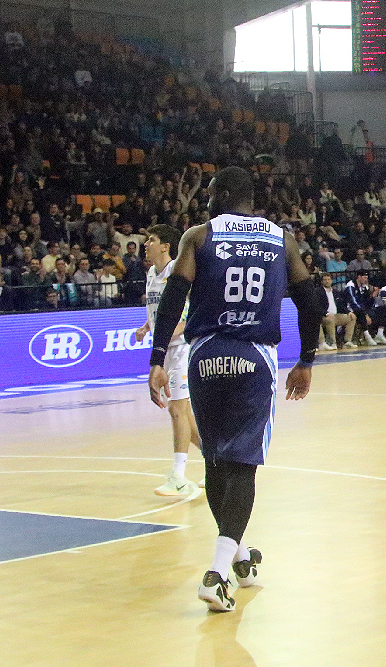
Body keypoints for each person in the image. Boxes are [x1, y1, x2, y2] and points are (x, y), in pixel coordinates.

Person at [148, 166, 325, 612]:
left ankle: (241, 557)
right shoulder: (281, 239)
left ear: (224, 194)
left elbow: (172, 299)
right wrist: (306, 359)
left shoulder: (199, 235)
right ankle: (217, 572)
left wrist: (154, 360)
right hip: (254, 359)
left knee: (215, 459)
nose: (205, 200)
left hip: (206, 356)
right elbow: (311, 302)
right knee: (242, 465)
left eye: (209, 193)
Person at [136, 225, 203, 497]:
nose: (145, 244)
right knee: (183, 413)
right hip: (167, 348)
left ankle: (178, 476)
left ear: (165, 246)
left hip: (182, 349)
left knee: (176, 409)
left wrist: (166, 336)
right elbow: (159, 310)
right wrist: (146, 327)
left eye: (151, 240)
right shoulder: (152, 273)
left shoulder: (179, 270)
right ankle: (217, 461)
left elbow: (186, 315)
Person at [319, 272, 356, 350]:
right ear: (322, 282)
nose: (327, 281)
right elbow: (317, 306)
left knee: (352, 317)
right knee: (330, 320)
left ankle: (347, 341)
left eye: (329, 279)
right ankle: (333, 343)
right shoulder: (318, 292)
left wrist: (348, 312)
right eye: (325, 280)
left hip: (336, 315)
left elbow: (341, 305)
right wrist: (326, 313)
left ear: (331, 281)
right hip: (324, 316)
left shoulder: (336, 292)